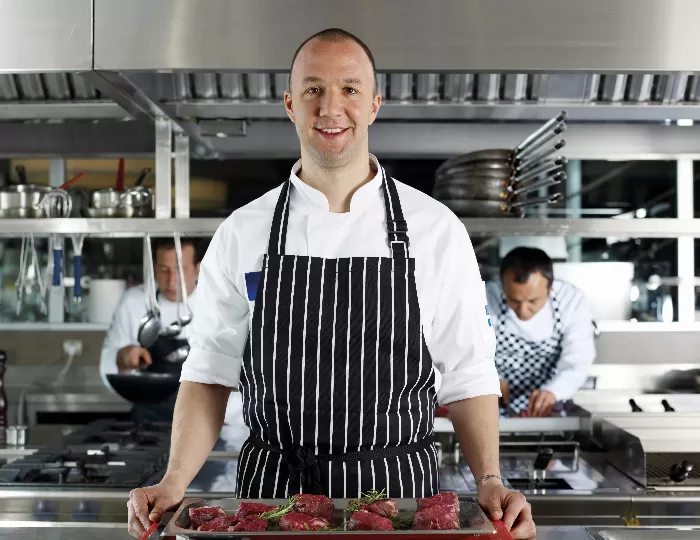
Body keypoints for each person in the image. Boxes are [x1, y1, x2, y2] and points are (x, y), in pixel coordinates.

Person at [126, 28, 536, 540]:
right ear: (290, 104)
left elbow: (468, 372)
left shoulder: (435, 229)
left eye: (350, 89)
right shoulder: (242, 232)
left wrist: (490, 479)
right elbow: (210, 372)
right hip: (273, 498)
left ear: (374, 104)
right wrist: (174, 479)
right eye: (313, 89)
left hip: (396, 498)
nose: (331, 107)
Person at [99, 237, 247, 430]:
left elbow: (249, 375)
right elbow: (108, 367)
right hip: (150, 425)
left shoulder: (224, 305)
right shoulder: (134, 302)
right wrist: (122, 358)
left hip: (213, 424)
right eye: (163, 270)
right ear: (153, 268)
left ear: (198, 268)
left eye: (181, 270)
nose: (171, 281)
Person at [486, 247, 596, 417]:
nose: (523, 311)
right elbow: (471, 351)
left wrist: (554, 391)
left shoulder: (571, 302)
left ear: (550, 288)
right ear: (502, 286)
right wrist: (488, 378)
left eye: (533, 301)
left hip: (550, 410)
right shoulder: (486, 297)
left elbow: (578, 361)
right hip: (491, 409)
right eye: (513, 300)